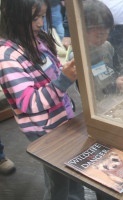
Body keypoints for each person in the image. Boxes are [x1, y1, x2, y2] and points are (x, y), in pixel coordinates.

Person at [0, 0, 84, 199]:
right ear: (14, 16)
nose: (40, 23)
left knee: (73, 172)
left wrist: (64, 71)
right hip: (44, 130)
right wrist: (64, 80)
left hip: (63, 119)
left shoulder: (38, 38)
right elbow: (29, 103)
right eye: (33, 18)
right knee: (59, 182)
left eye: (42, 16)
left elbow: (50, 72)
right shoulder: (7, 57)